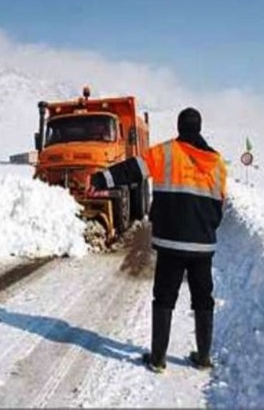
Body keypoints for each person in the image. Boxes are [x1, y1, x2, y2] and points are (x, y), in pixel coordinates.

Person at [89, 107, 227, 373]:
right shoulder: (218, 163)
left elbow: (131, 170)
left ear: (179, 127)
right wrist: (206, 229)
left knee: (164, 298)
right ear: (199, 128)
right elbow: (219, 206)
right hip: (203, 246)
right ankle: (203, 358)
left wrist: (100, 178)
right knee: (203, 299)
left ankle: (158, 359)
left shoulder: (165, 153)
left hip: (171, 244)